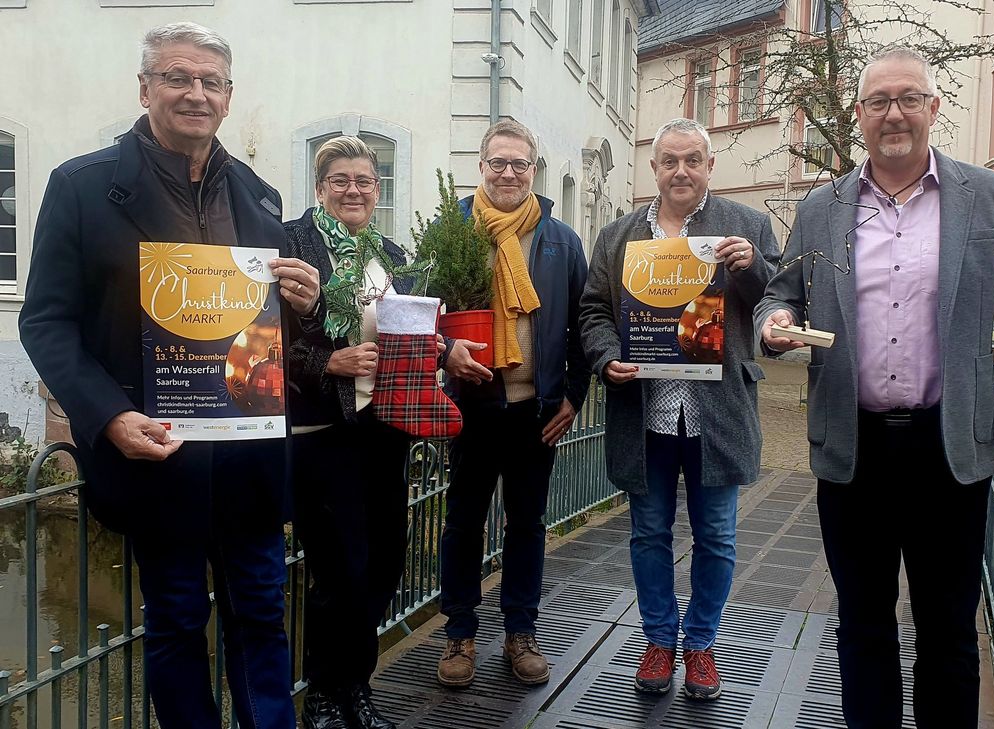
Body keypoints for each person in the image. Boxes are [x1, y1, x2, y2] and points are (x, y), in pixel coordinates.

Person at [18, 23, 320, 729]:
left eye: (211, 82)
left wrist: (306, 301)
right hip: (157, 452)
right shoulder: (84, 187)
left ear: (229, 96)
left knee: (262, 613)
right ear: (146, 87)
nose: (196, 93)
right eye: (179, 78)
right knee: (178, 621)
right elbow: (45, 322)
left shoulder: (260, 195)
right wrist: (107, 416)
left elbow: (274, 329)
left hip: (247, 457)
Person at [754, 45, 994, 729]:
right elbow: (783, 289)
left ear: (933, 108)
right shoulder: (824, 206)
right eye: (879, 101)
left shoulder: (990, 199)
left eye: (908, 98)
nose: (894, 114)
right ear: (859, 115)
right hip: (852, 448)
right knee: (862, 627)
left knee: (948, 631)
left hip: (949, 446)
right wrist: (777, 318)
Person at [578, 118, 780, 700]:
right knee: (648, 533)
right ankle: (659, 640)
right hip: (646, 412)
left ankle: (700, 645)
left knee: (716, 536)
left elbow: (776, 303)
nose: (681, 171)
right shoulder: (619, 238)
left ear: (710, 167)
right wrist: (606, 356)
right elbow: (593, 312)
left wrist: (753, 269)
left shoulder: (746, 227)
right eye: (670, 161)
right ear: (655, 167)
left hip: (717, 410)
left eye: (693, 160)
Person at [286, 137, 434, 729]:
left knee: (383, 566)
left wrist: (438, 351)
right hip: (325, 433)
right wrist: (329, 362)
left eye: (365, 181)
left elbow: (409, 334)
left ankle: (357, 684)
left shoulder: (392, 257)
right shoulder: (295, 245)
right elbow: (263, 339)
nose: (354, 190)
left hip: (384, 432)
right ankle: (323, 693)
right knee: (338, 570)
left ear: (378, 189)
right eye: (341, 179)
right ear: (321, 187)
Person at [435, 119, 589, 689]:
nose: (507, 172)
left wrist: (573, 394)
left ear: (533, 171)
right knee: (463, 524)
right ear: (481, 167)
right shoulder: (452, 230)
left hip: (536, 412)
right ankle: (459, 634)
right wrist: (447, 350)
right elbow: (420, 313)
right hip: (471, 407)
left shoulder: (559, 239)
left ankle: (520, 633)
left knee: (526, 524)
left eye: (519, 164)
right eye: (498, 163)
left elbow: (583, 321)